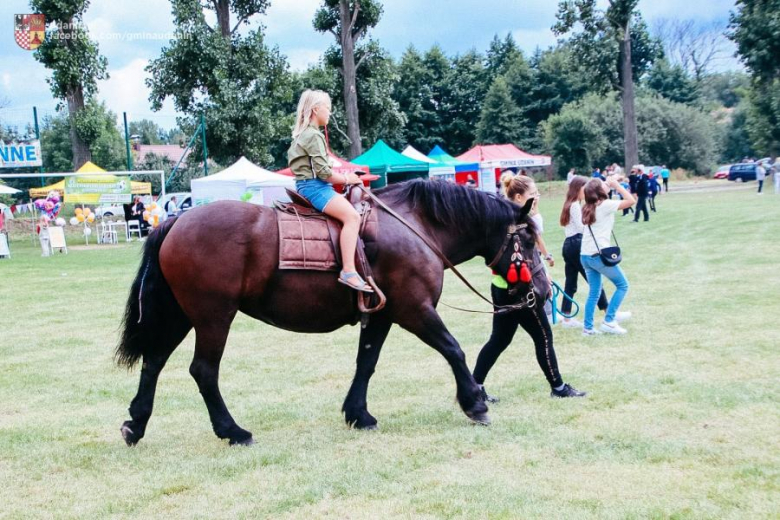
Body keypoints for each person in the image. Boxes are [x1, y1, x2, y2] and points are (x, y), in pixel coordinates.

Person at [473, 172, 586, 401]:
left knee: (500, 340)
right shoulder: (513, 222)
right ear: (517, 198)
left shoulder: (512, 218)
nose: (537, 197)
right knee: (543, 337)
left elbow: (531, 254)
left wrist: (543, 277)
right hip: (518, 291)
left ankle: (474, 387)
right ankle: (558, 387)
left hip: (505, 288)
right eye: (533, 194)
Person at [288, 89, 372, 293]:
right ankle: (349, 271)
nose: (329, 112)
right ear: (316, 109)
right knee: (352, 217)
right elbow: (324, 174)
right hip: (315, 188)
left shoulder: (301, 134)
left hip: (305, 186)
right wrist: (348, 179)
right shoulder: (314, 135)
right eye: (328, 108)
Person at [580, 178, 635, 335]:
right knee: (623, 285)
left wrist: (610, 187)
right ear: (599, 191)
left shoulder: (587, 207)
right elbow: (631, 201)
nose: (607, 184)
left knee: (594, 292)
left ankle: (588, 328)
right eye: (603, 183)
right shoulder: (605, 205)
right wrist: (617, 186)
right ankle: (609, 320)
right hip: (598, 256)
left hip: (585, 255)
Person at [559, 176, 609, 328]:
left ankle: (566, 317)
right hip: (576, 244)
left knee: (571, 282)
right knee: (594, 279)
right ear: (578, 188)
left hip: (568, 245)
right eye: (584, 188)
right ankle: (608, 311)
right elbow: (582, 227)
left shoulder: (569, 204)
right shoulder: (574, 205)